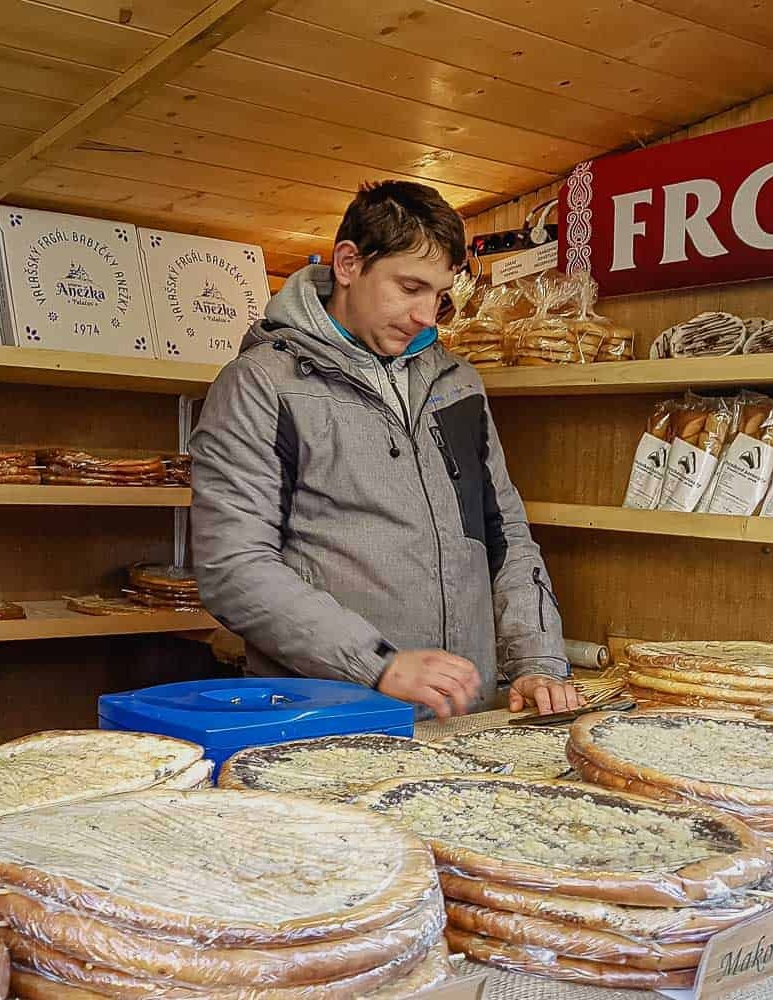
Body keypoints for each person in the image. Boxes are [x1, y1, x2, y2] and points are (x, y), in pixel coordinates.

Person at [189, 180, 581, 720]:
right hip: (329, 718)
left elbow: (504, 534)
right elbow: (234, 566)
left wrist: (537, 658)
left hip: (462, 720)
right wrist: (378, 665)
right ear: (349, 263)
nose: (427, 315)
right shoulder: (261, 384)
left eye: (440, 296)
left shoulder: (458, 382)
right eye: (410, 287)